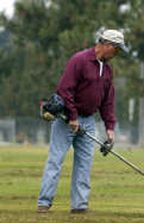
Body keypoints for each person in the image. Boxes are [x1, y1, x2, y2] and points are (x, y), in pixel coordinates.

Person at [37, 29, 128, 213]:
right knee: (55, 160)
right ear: (108, 45)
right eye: (117, 50)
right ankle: (44, 203)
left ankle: (79, 206)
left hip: (88, 121)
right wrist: (72, 117)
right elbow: (65, 90)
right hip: (66, 120)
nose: (117, 54)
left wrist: (110, 128)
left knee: (84, 164)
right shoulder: (79, 60)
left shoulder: (108, 70)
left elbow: (107, 101)